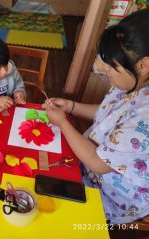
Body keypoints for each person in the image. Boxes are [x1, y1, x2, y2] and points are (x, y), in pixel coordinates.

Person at [43, 9, 149, 224]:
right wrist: (72, 107)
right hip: (86, 161)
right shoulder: (132, 84)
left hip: (111, 193)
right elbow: (107, 113)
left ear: (143, 65)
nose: (106, 72)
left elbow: (98, 163)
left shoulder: (145, 117)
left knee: (51, 216)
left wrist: (63, 123)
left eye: (113, 67)